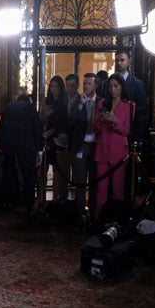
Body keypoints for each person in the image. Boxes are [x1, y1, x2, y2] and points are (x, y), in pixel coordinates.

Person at [93, 74, 134, 223]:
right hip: (102, 151)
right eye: (110, 86)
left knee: (118, 191)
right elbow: (95, 128)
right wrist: (99, 120)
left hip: (119, 153)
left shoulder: (129, 105)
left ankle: (117, 223)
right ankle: (99, 221)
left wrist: (115, 121)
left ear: (122, 87)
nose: (112, 89)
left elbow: (127, 131)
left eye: (115, 86)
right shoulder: (102, 103)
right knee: (101, 190)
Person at [0, 88, 43, 220]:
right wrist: (39, 150)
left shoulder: (8, 108)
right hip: (25, 146)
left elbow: (0, 129)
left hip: (9, 145)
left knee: (7, 173)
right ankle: (29, 206)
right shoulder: (30, 108)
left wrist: (1, 144)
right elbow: (37, 129)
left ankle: (5, 202)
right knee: (28, 176)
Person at [65, 73, 102, 221]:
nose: (86, 86)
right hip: (80, 146)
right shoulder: (77, 102)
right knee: (80, 182)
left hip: (96, 146)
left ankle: (93, 214)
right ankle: (81, 215)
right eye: (84, 83)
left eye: (89, 84)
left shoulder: (101, 101)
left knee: (94, 182)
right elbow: (71, 122)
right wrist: (80, 104)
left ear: (96, 86)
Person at [41, 75, 68, 201]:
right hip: (47, 139)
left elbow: (66, 121)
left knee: (59, 171)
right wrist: (46, 115)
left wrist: (55, 131)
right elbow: (41, 120)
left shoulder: (65, 101)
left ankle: (57, 199)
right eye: (52, 86)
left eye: (56, 86)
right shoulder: (46, 101)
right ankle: (42, 199)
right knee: (42, 169)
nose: (54, 89)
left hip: (59, 138)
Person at [55, 73, 80, 205]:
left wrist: (71, 137)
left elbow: (82, 123)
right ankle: (62, 202)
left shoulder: (81, 100)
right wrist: (60, 134)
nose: (70, 89)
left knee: (77, 175)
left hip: (75, 145)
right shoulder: (61, 101)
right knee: (62, 175)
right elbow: (57, 120)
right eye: (67, 86)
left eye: (72, 86)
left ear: (77, 85)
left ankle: (77, 203)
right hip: (62, 143)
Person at [115, 50, 148, 142]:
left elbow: (143, 107)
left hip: (131, 129)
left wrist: (127, 113)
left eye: (122, 60)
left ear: (128, 62)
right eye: (117, 60)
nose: (119, 63)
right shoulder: (109, 83)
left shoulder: (137, 83)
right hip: (112, 129)